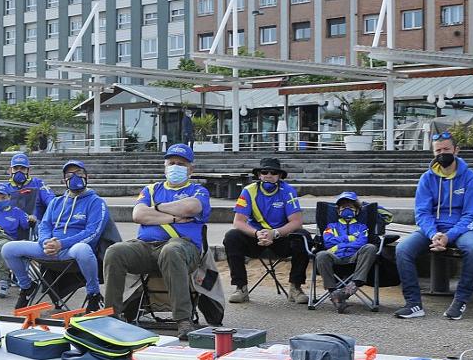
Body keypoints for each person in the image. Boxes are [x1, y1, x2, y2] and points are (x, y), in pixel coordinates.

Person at [103, 143, 211, 338]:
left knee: (171, 251)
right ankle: (111, 315)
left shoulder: (198, 190)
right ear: (164, 166)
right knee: (115, 251)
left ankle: (183, 320)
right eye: (171, 163)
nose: (175, 166)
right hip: (146, 247)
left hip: (184, 247)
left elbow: (191, 208)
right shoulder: (151, 189)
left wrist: (157, 208)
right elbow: (138, 214)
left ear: (191, 169)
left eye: (181, 163)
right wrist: (173, 217)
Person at [393, 132, 473, 320]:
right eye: (438, 150)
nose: (442, 154)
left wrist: (449, 236)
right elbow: (422, 213)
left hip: (462, 229)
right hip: (433, 229)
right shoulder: (426, 178)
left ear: (456, 150)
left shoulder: (471, 177)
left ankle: (460, 301)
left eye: (446, 149)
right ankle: (413, 304)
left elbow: (472, 214)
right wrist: (434, 234)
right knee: (403, 249)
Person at [3, 159, 109, 311]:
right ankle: (26, 287)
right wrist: (45, 242)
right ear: (64, 179)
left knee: (83, 249)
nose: (75, 177)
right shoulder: (56, 202)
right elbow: (44, 225)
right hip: (49, 249)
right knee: (8, 248)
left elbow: (93, 233)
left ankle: (93, 294)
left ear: (87, 176)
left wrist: (61, 244)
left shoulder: (96, 202)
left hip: (72, 251)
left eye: (79, 173)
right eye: (70, 174)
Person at [222, 157, 308, 303]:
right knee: (232, 236)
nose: (269, 175)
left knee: (303, 237)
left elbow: (297, 222)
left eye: (274, 172)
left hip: (280, 236)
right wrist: (257, 233)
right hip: (256, 238)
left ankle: (296, 287)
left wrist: (275, 233)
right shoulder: (248, 191)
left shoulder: (288, 191)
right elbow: (238, 222)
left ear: (280, 176)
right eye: (265, 171)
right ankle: (240, 287)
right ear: (259, 175)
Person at [315, 191, 378, 313]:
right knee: (321, 254)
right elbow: (328, 242)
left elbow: (362, 242)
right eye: (343, 207)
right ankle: (333, 292)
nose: (347, 209)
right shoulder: (331, 226)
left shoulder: (362, 227)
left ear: (357, 211)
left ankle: (351, 286)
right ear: (338, 211)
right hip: (335, 257)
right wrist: (349, 239)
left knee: (370, 247)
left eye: (350, 207)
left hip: (354, 258)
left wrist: (339, 244)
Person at [7, 151, 55, 223]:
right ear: (10, 170)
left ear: (28, 170)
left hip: (35, 225)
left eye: (23, 168)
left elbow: (51, 201)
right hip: (12, 226)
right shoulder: (5, 188)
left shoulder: (38, 184)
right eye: (15, 168)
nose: (19, 171)